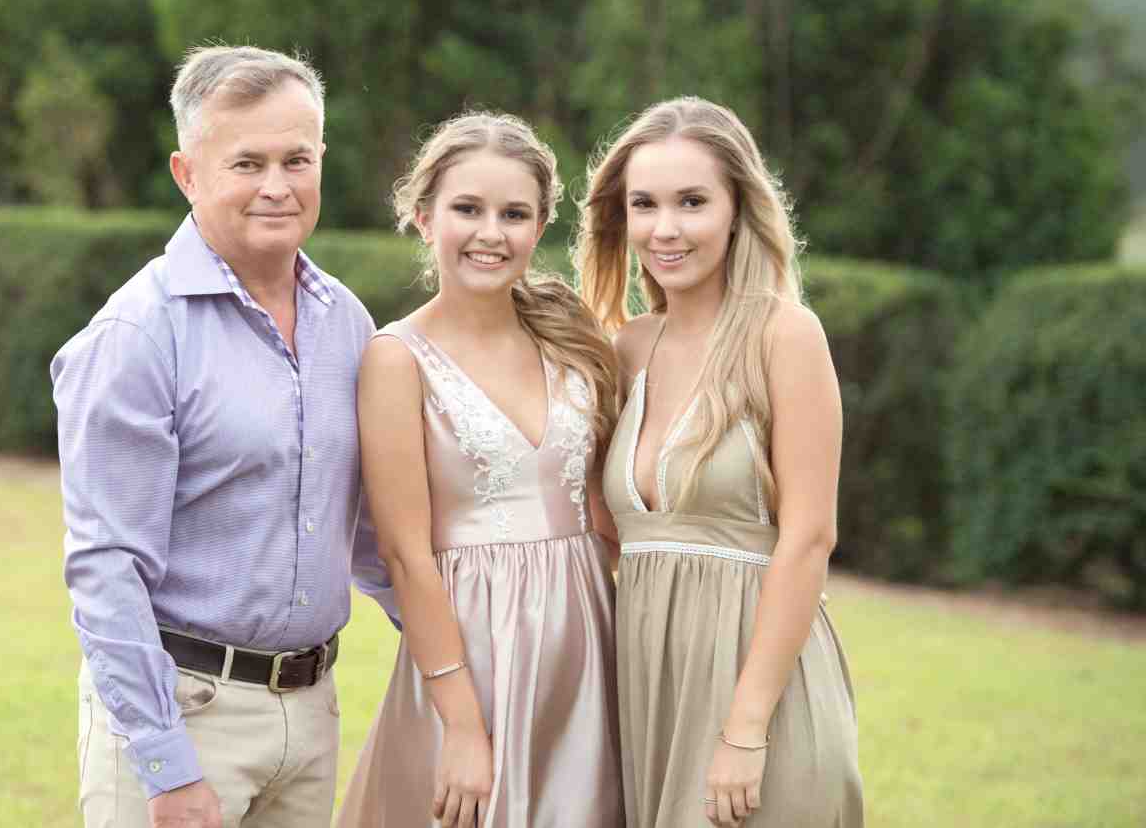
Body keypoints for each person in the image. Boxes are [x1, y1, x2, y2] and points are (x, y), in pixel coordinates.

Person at [51, 45, 399, 828]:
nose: (277, 186)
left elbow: (375, 531)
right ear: (187, 173)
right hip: (183, 717)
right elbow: (106, 571)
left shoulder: (347, 322)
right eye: (247, 162)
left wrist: (462, 658)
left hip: (312, 717)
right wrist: (168, 768)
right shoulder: (137, 335)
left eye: (297, 159)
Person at [575, 97, 864, 828]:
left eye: (692, 202)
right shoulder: (626, 349)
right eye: (645, 204)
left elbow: (808, 540)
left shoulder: (784, 336)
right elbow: (599, 528)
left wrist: (745, 727)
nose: (665, 228)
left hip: (758, 694)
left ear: (738, 209)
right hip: (649, 690)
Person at [336, 113, 626, 828]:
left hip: (587, 645)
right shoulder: (395, 359)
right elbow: (405, 554)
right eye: (469, 209)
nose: (491, 233)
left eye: (514, 214)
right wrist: (463, 725)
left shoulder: (571, 335)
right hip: (474, 651)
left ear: (539, 226)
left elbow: (603, 508)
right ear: (424, 216)